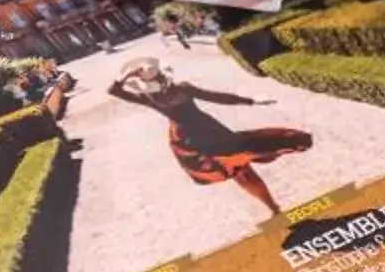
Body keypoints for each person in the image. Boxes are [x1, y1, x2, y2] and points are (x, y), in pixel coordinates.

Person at [106, 58, 312, 217]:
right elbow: (113, 90)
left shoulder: (179, 89)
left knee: (241, 168)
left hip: (207, 134)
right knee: (239, 170)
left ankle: (273, 207)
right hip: (192, 142)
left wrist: (250, 101)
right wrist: (126, 76)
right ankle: (273, 207)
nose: (158, 85)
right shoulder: (149, 98)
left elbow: (216, 97)